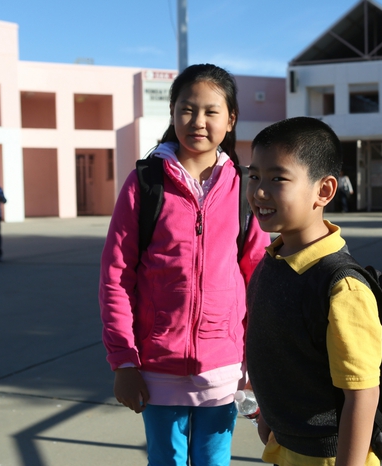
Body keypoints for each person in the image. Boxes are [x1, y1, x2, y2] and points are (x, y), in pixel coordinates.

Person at [99, 64, 269, 466]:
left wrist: (257, 361)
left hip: (224, 367)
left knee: (214, 460)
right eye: (187, 109)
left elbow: (259, 277)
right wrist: (124, 361)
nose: (198, 121)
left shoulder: (245, 187)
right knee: (166, 460)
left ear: (230, 120)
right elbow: (116, 276)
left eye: (212, 111)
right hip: (157, 366)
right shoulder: (145, 182)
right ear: (172, 113)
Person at [245, 117, 382, 466]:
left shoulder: (342, 286)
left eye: (278, 178)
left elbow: (362, 392)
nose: (260, 191)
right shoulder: (274, 261)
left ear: (324, 191)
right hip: (286, 446)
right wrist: (271, 416)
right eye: (254, 175)